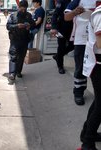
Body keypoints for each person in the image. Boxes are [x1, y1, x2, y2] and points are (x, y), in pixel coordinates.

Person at [64, 0, 96, 105]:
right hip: (81, 40)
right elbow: (66, 17)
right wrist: (75, 12)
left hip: (97, 39)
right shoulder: (77, 1)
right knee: (80, 67)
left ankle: (98, 94)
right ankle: (78, 92)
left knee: (97, 69)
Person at [78, 4, 101, 150]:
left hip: (97, 64)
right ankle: (87, 143)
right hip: (98, 65)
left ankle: (87, 133)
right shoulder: (100, 14)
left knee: (98, 102)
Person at [6, 1, 35, 81]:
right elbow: (8, 26)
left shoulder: (28, 16)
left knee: (21, 57)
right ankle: (12, 73)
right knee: (13, 56)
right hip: (15, 40)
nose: (23, 11)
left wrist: (29, 26)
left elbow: (33, 25)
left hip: (24, 40)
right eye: (21, 9)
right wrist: (17, 26)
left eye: (24, 9)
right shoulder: (13, 16)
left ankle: (18, 72)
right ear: (19, 7)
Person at [50, 0, 74, 74]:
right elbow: (55, 15)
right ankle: (60, 66)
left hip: (73, 29)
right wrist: (54, 27)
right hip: (62, 28)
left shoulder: (78, 1)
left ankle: (58, 56)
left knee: (72, 46)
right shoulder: (62, 1)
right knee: (61, 47)